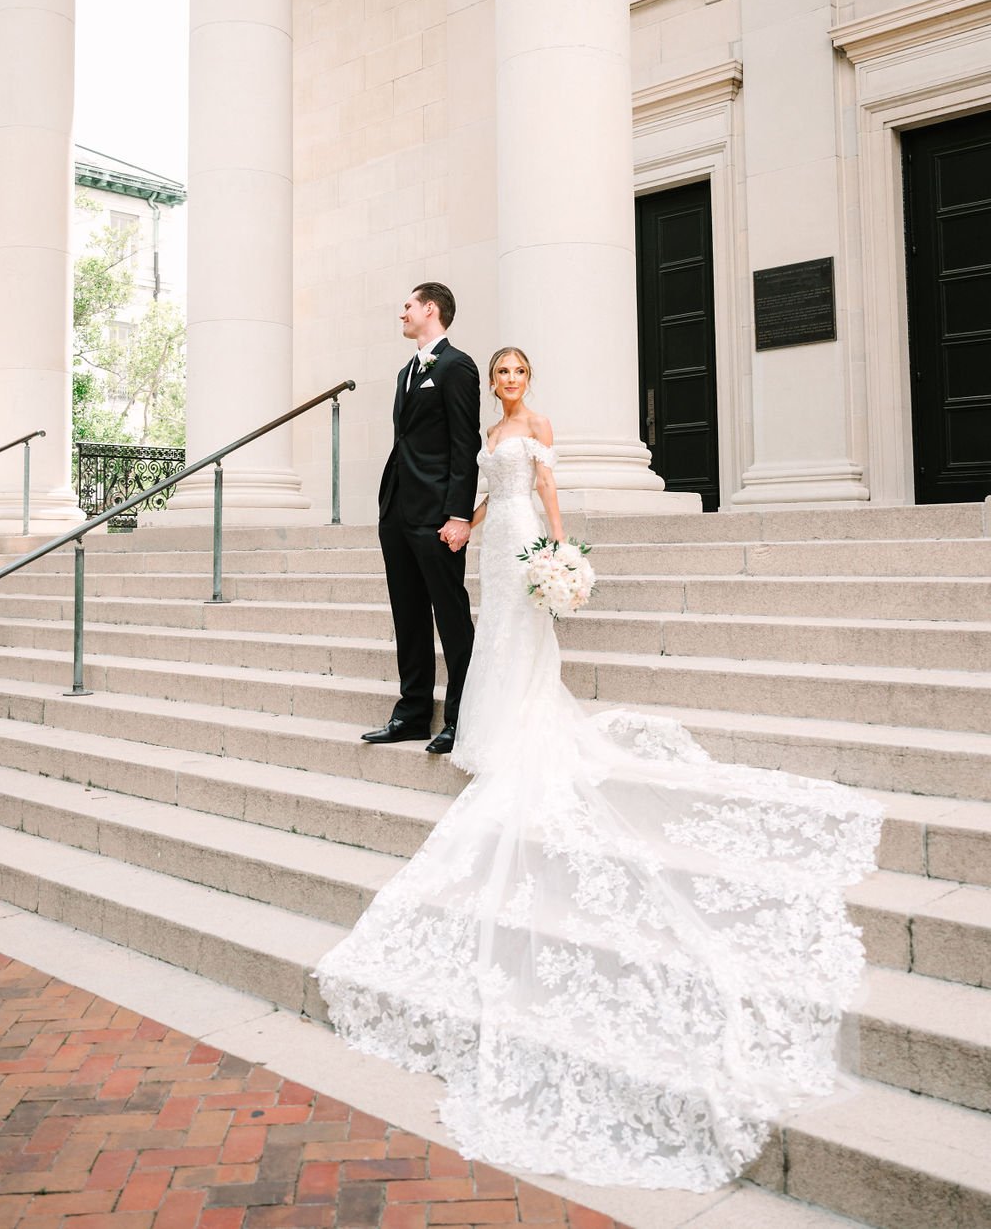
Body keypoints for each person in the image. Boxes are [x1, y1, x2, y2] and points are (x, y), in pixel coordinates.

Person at [319, 346, 882, 1192]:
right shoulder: (490, 429)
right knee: (495, 633)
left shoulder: (536, 427)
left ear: (528, 380)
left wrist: (558, 555)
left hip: (527, 541)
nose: (507, 385)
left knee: (520, 635)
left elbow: (544, 490)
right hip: (488, 534)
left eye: (514, 375)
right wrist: (467, 519)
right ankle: (490, 729)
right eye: (501, 376)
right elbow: (487, 487)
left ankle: (517, 731)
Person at [361, 283, 481, 756]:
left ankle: (460, 718)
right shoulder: (405, 372)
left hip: (437, 515)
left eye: (407, 306)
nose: (402, 314)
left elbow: (463, 444)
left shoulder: (456, 366)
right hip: (397, 511)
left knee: (450, 616)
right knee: (407, 615)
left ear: (430, 309)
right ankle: (411, 714)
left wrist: (459, 513)